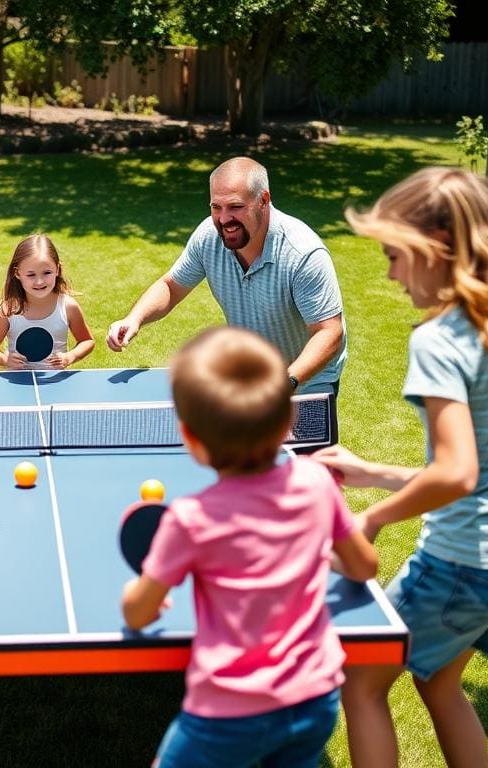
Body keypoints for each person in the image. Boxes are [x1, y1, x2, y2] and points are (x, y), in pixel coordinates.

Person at [121, 326, 377, 768]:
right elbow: (364, 567)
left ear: (191, 440)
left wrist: (137, 595)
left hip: (227, 711)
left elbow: (138, 613)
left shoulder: (191, 519)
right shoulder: (317, 483)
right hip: (314, 699)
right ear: (288, 422)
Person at [313, 167, 488, 768]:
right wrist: (373, 471)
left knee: (361, 680)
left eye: (395, 255)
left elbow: (457, 473)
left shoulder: (439, 341)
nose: (390, 274)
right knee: (439, 682)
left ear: (436, 249)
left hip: (461, 561)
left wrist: (372, 519)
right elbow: (480, 466)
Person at [106, 157, 346, 396]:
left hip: (307, 380)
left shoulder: (302, 254)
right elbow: (171, 287)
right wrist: (134, 319)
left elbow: (329, 332)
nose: (223, 219)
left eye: (235, 207)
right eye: (216, 207)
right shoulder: (208, 238)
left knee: (305, 435)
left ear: (263, 200)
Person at [0, 234, 95, 370]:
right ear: (17, 274)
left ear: (57, 270)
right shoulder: (8, 309)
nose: (39, 281)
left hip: (55, 381)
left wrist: (70, 356)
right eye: (31, 275)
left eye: (47, 273)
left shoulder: (68, 306)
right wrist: (5, 359)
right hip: (17, 382)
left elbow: (87, 341)